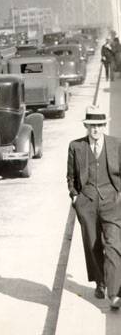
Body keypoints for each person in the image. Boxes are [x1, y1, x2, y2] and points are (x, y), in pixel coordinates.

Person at [66, 105, 121, 310]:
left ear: (104, 125)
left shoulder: (116, 144)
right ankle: (100, 282)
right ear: (86, 127)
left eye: (99, 125)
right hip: (87, 204)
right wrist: (74, 197)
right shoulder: (75, 146)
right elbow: (71, 176)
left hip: (112, 203)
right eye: (91, 126)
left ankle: (114, 293)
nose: (95, 130)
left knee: (114, 245)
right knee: (93, 245)